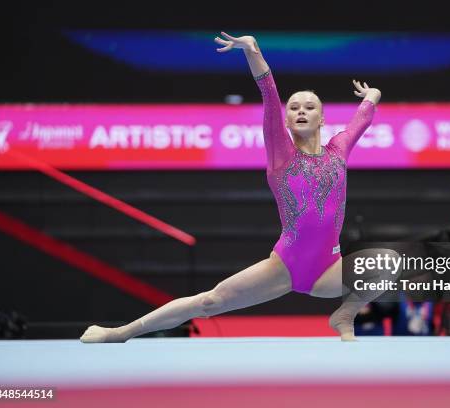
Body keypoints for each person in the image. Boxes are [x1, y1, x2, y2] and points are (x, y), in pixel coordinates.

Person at [80, 32, 382, 343]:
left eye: (309, 107)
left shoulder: (338, 150)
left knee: (388, 265)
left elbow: (362, 119)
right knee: (209, 302)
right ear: (287, 122)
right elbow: (269, 94)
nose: (301, 111)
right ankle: (121, 332)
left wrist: (373, 94)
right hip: (286, 266)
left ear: (321, 118)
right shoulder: (282, 155)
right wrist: (253, 51)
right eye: (293, 108)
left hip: (329, 268)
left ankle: (344, 315)